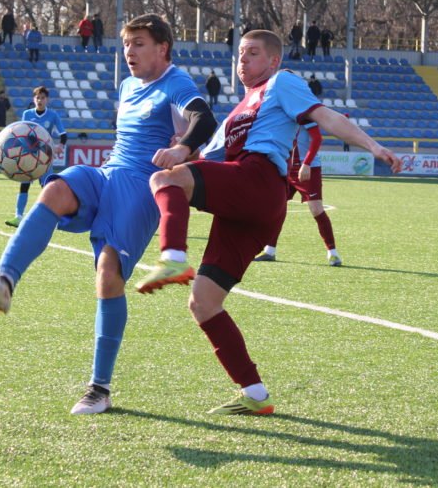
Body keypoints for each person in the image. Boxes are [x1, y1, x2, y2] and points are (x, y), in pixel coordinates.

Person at [139, 29, 401, 415]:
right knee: (203, 303)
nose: (242, 60)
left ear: (273, 61)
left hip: (259, 180)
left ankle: (174, 257)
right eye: (240, 54)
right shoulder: (237, 112)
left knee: (165, 181)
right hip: (248, 208)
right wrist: (181, 151)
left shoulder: (282, 83)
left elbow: (326, 116)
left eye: (252, 53)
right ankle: (255, 394)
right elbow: (205, 160)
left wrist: (374, 146)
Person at [0, 13, 217, 415]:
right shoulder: (127, 85)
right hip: (107, 173)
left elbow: (203, 119)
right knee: (55, 189)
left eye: (139, 44)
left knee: (108, 274)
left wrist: (181, 149)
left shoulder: (176, 83)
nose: (129, 51)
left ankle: (99, 389)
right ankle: (4, 281)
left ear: (163, 48)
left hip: (139, 189)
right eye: (127, 44)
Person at [253, 122, 342, 266]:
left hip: (308, 169)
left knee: (316, 209)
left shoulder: (305, 116)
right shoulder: (285, 116)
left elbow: (317, 138)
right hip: (287, 168)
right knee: (276, 208)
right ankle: (269, 251)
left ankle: (333, 253)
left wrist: (306, 164)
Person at [5, 86, 68, 228]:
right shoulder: (27, 114)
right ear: (34, 99)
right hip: (28, 155)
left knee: (47, 188)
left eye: (42, 98)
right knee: (24, 184)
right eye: (37, 98)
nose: (40, 100)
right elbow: (22, 133)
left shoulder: (52, 115)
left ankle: (53, 217)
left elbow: (63, 134)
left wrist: (60, 146)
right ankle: (18, 216)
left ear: (47, 100)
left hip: (45, 156)